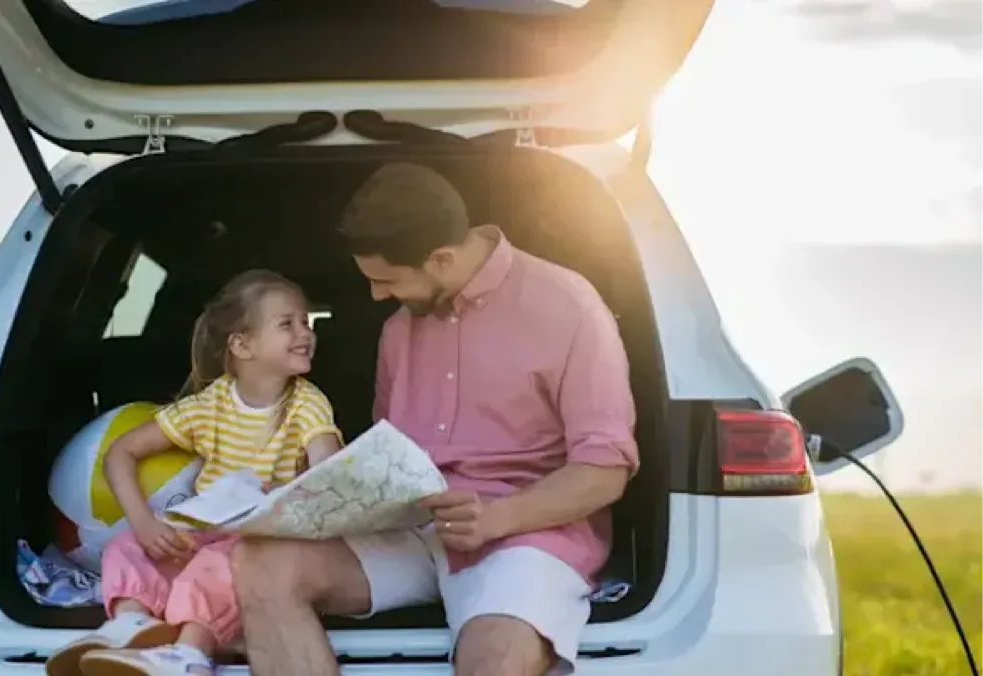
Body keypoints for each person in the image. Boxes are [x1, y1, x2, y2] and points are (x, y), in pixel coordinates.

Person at [230, 163, 640, 676]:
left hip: (524, 536)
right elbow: (387, 453)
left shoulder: (569, 306)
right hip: (413, 530)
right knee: (261, 564)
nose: (377, 296)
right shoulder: (399, 330)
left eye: (386, 280)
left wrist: (496, 518)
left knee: (495, 656)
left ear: (442, 258)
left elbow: (605, 470)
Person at [47, 269, 343, 676]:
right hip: (207, 526)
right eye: (287, 324)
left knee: (217, 566)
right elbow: (121, 453)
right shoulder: (211, 404)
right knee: (126, 547)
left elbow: (329, 467)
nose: (305, 333)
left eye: (306, 323)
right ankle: (130, 626)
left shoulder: (307, 404)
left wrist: (308, 483)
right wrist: (145, 523)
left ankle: (189, 654)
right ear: (242, 345)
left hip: (262, 538)